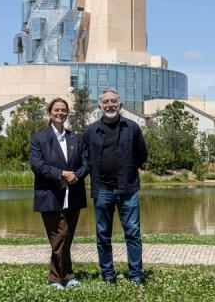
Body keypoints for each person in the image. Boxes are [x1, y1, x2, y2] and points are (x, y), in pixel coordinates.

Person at [83, 88, 147, 285]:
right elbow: (85, 157)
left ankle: (135, 275)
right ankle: (108, 275)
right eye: (106, 102)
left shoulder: (132, 128)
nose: (110, 105)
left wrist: (127, 172)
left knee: (133, 233)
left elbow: (141, 155)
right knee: (103, 234)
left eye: (113, 101)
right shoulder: (91, 131)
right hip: (102, 190)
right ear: (100, 105)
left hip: (128, 189)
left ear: (120, 104)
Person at [30, 98, 88, 289]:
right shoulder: (39, 138)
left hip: (73, 194)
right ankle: (58, 277)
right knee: (59, 236)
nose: (60, 113)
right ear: (50, 112)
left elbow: (86, 163)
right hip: (50, 195)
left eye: (63, 110)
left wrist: (75, 176)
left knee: (67, 236)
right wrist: (61, 174)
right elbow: (37, 165)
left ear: (67, 113)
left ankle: (66, 276)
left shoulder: (75, 138)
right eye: (56, 110)